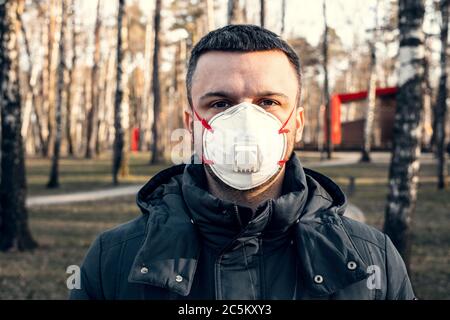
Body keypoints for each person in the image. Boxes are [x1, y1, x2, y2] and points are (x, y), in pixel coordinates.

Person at [70, 25, 415, 300]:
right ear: (192, 124)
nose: (246, 120)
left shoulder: (374, 261)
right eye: (220, 104)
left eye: (267, 102)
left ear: (296, 122)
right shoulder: (113, 261)